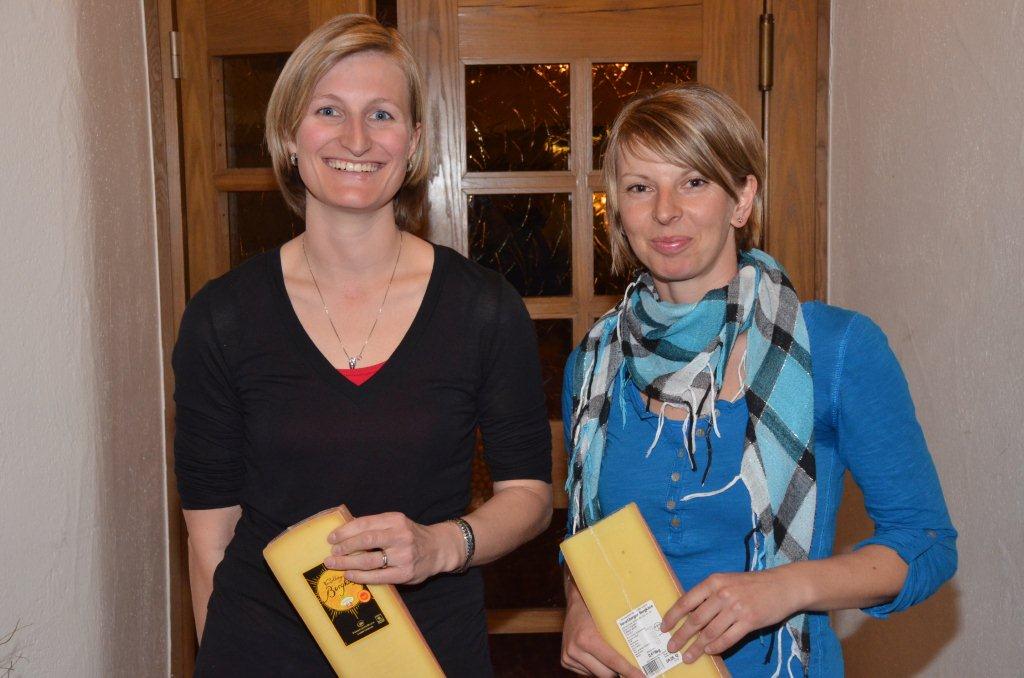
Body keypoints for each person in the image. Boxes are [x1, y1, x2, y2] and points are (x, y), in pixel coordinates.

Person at [173, 14, 552, 677]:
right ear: (289, 135)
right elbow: (210, 542)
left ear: (414, 142)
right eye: (329, 111)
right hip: (261, 654)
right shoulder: (221, 317)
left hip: (429, 654)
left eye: (381, 114)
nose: (356, 138)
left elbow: (528, 495)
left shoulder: (484, 308)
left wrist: (444, 545)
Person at [559, 84, 957, 677]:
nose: (665, 210)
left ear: (741, 199)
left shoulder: (835, 348)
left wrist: (786, 588)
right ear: (618, 208)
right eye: (641, 187)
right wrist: (576, 604)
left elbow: (926, 542)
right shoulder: (593, 365)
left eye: (694, 182)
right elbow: (585, 539)